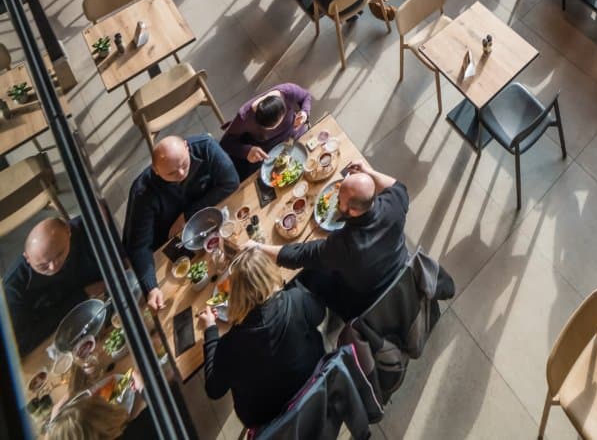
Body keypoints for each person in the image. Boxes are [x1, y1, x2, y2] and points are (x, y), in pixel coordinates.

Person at [262, 155, 409, 320]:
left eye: (339, 200)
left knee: (307, 274)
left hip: (365, 298)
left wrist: (258, 247)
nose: (337, 201)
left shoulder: (345, 245)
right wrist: (368, 172)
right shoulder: (395, 203)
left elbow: (300, 255)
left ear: (353, 211)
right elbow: (397, 185)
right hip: (400, 269)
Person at [199, 245, 326, 429]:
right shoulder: (295, 300)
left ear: (236, 294)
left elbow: (214, 389)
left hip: (270, 423)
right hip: (313, 388)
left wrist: (210, 329)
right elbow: (320, 314)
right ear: (270, 275)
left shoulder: (230, 344)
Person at [124, 135, 240, 307]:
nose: (180, 174)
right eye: (171, 173)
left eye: (184, 164)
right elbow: (139, 246)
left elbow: (231, 181)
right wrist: (152, 288)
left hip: (211, 223)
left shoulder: (206, 147)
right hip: (175, 243)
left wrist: (188, 214)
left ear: (187, 147)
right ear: (155, 170)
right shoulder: (143, 193)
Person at [2, 217, 100, 356]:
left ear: (68, 232)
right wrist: (81, 296)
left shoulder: (85, 230)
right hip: (55, 343)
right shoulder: (14, 288)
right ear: (27, 258)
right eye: (42, 265)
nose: (53, 267)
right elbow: (21, 343)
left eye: (59, 254)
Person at [219, 85, 312, 179]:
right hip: (270, 154)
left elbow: (306, 96)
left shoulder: (288, 92)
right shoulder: (244, 117)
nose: (273, 130)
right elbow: (225, 143)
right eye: (268, 129)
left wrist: (304, 112)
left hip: (297, 136)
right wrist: (247, 151)